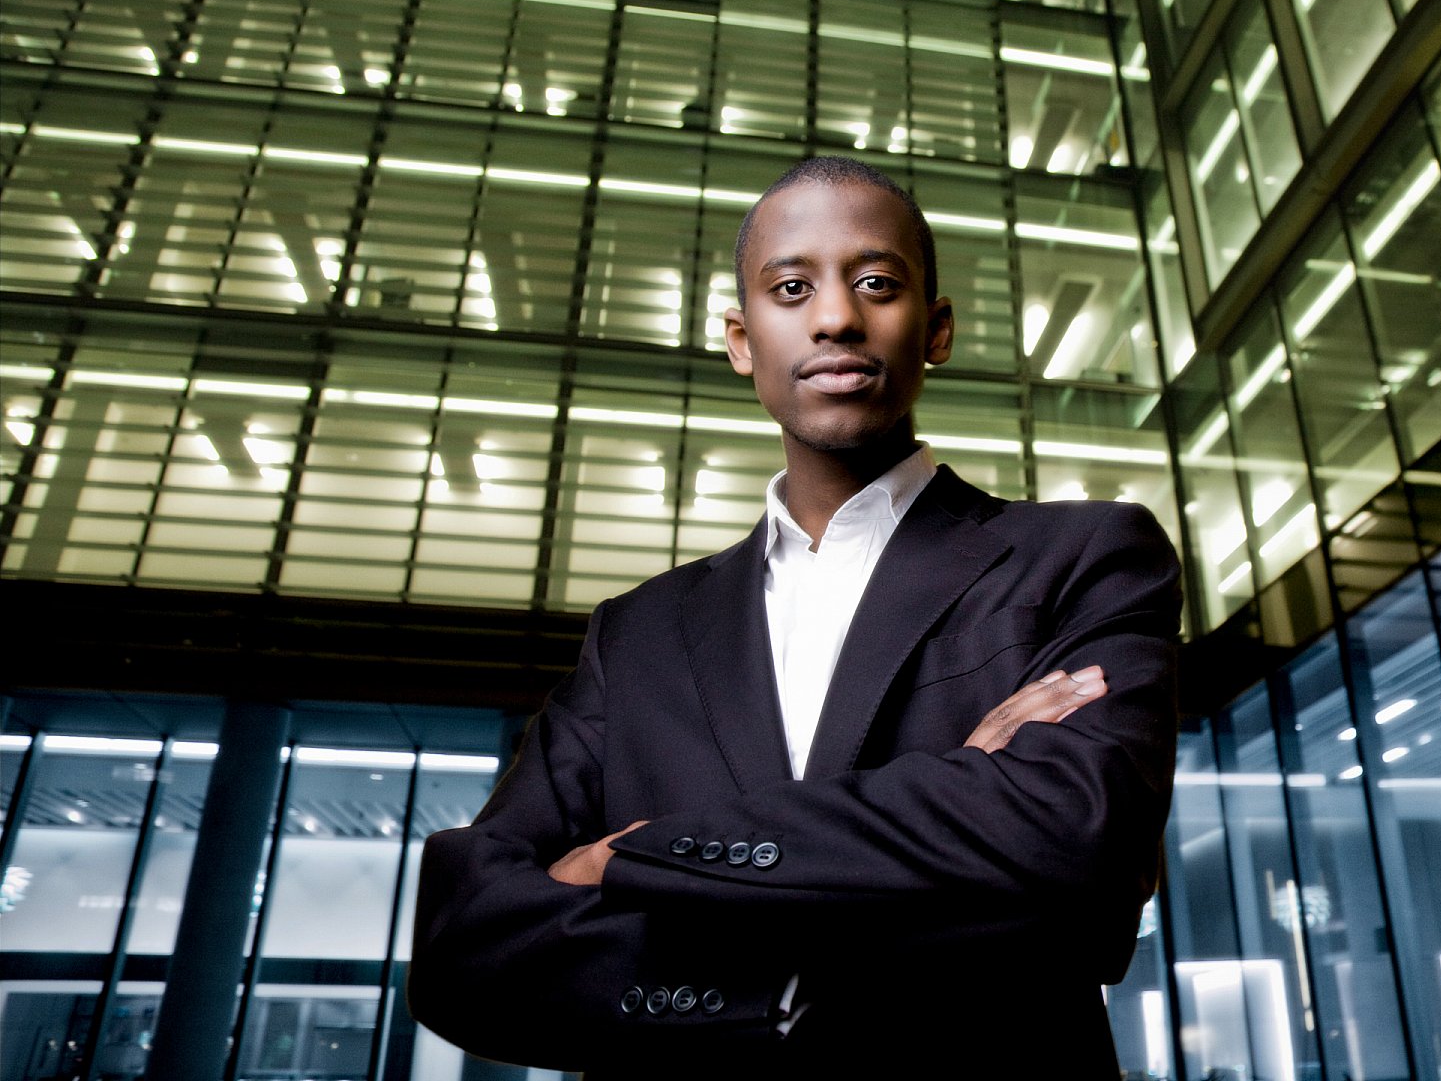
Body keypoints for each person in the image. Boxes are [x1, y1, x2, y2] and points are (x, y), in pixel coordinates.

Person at [408, 157, 1181, 1077]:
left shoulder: (1084, 556)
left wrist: (633, 855)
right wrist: (786, 989)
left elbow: (1074, 846)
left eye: (877, 284)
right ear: (741, 340)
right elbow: (468, 945)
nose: (836, 318)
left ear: (933, 330)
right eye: (790, 287)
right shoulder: (637, 633)